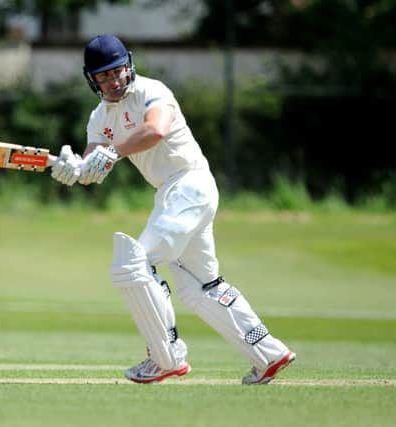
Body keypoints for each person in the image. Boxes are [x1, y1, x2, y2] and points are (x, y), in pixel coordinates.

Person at [50, 35, 295, 384]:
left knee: (134, 263)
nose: (114, 80)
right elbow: (93, 164)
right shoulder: (99, 117)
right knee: (200, 286)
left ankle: (166, 357)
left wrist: (114, 153)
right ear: (93, 80)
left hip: (189, 185)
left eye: (117, 71)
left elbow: (156, 130)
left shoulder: (153, 91)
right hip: (173, 193)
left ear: (129, 65)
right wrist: (74, 168)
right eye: (104, 76)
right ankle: (269, 354)